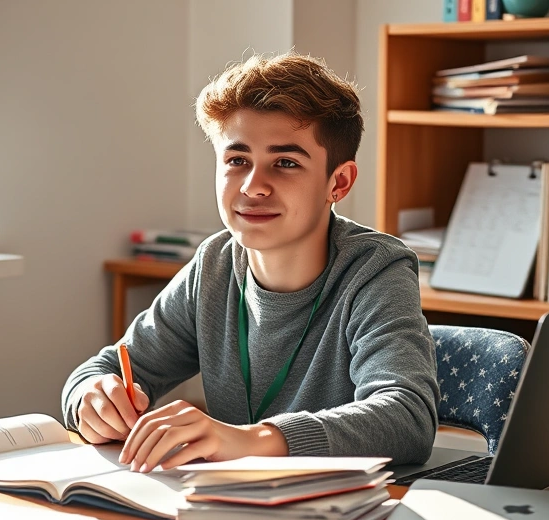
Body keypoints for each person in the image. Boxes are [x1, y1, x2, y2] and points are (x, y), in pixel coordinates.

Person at [60, 51, 438, 473]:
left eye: (286, 163)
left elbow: (408, 417)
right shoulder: (216, 263)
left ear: (339, 182)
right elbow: (111, 366)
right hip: (226, 505)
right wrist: (90, 395)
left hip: (337, 515)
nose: (254, 187)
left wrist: (250, 439)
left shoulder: (376, 270)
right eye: (237, 161)